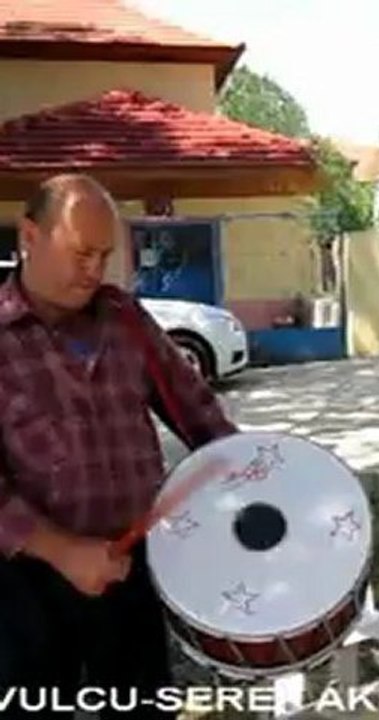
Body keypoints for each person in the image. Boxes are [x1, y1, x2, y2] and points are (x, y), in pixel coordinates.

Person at [0, 174, 237, 717]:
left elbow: (195, 409)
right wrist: (63, 551)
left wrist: (245, 469)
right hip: (26, 580)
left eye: (104, 256)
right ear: (30, 237)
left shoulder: (125, 319)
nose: (93, 271)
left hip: (129, 565)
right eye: (81, 252)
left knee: (142, 707)